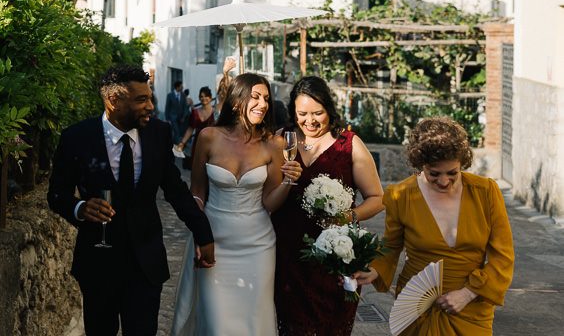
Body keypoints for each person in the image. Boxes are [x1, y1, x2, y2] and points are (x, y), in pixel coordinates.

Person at [48, 64, 215, 336]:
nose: (150, 106)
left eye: (149, 98)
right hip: (98, 264)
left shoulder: (159, 134)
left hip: (145, 264)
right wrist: (79, 207)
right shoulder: (77, 137)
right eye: (141, 99)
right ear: (114, 101)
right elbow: (56, 194)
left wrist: (203, 233)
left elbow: (175, 190)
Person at [354, 117, 514, 335]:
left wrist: (467, 294)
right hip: (417, 307)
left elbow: (503, 258)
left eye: (453, 173)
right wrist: (374, 269)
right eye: (434, 174)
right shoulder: (400, 194)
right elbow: (391, 245)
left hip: (470, 308)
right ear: (421, 164)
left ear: (462, 164)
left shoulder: (486, 192)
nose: (444, 182)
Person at [171, 73, 302, 335]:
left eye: (266, 98)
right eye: (255, 97)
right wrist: (199, 233)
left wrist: (288, 182)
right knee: (217, 324)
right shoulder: (208, 137)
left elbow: (270, 203)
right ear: (236, 100)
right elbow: (197, 192)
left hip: (258, 245)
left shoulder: (274, 144)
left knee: (252, 322)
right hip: (213, 240)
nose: (263, 104)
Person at [269, 75, 384, 336]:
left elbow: (377, 199)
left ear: (329, 110)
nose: (309, 121)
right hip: (287, 256)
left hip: (333, 259)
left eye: (317, 113)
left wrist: (347, 216)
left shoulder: (349, 144)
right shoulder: (282, 140)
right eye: (302, 114)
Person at [175, 86, 215, 169]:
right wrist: (182, 143)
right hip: (197, 143)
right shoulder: (194, 112)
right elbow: (190, 129)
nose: (204, 98)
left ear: (210, 98)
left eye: (206, 96)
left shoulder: (215, 113)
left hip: (210, 144)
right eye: (201, 96)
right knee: (196, 168)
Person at [166, 80, 191, 145]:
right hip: (173, 117)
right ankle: (177, 147)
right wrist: (167, 118)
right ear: (177, 87)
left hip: (180, 118)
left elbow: (185, 107)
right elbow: (167, 106)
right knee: (176, 131)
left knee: (179, 132)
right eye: (181, 86)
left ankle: (173, 144)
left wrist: (183, 117)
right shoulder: (170, 95)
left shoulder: (183, 95)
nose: (182, 87)